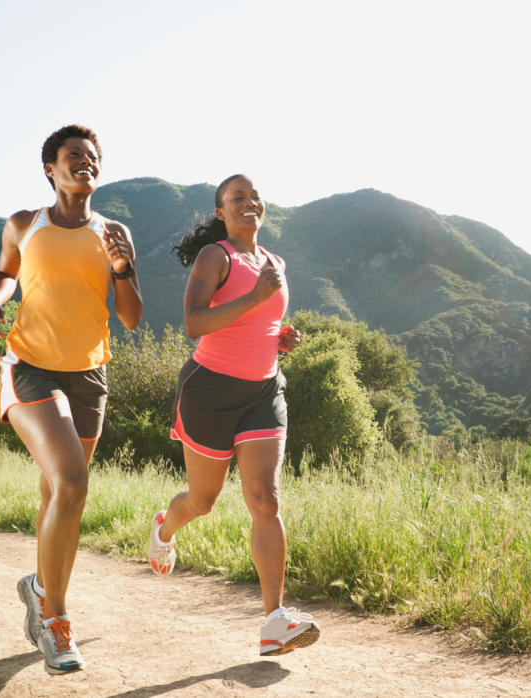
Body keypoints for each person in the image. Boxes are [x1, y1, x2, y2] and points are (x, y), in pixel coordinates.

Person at [0, 124, 142, 674]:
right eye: (74, 156)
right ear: (51, 168)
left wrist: (124, 268)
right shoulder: (26, 223)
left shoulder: (114, 231)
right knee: (73, 482)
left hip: (89, 374)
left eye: (92, 157)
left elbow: (132, 316)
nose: (84, 162)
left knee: (57, 496)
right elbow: (6, 272)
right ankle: (55, 619)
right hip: (31, 367)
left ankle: (37, 587)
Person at [150, 173, 318, 656]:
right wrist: (255, 298)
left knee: (265, 499)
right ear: (221, 212)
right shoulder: (215, 256)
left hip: (265, 390)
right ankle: (165, 527)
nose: (250, 202)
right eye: (237, 198)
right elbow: (194, 323)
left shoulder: (274, 262)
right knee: (202, 501)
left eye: (255, 196)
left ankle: (274, 621)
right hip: (210, 391)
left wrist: (281, 337)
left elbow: (260, 321)